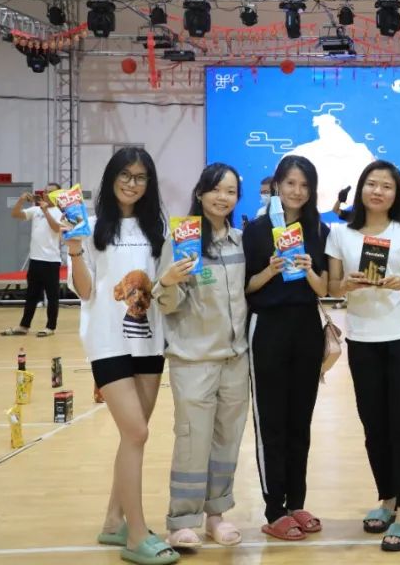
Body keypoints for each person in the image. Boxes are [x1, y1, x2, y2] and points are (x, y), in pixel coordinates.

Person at [67, 147, 181, 565]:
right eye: (125, 175)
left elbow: (165, 286)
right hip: (108, 343)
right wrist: (74, 249)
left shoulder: (158, 231)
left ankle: (114, 521)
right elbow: (84, 291)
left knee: (133, 436)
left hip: (150, 343)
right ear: (111, 178)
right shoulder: (91, 228)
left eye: (140, 177)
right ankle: (135, 536)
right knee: (137, 434)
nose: (132, 183)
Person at [326, 161, 400, 552]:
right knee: (374, 425)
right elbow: (332, 286)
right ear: (361, 189)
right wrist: (347, 284)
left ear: (396, 193)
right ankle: (386, 498)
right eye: (372, 183)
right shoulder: (341, 233)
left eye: (387, 186)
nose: (378, 191)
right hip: (363, 339)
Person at [155, 164, 249, 549]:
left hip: (236, 359)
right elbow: (166, 304)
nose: (222, 197)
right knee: (193, 440)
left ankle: (216, 516)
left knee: (227, 440)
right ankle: (181, 520)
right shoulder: (182, 241)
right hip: (193, 359)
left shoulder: (241, 241)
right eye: (215, 189)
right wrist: (169, 281)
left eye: (230, 191)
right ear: (200, 193)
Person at [243, 155, 331, 542]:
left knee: (300, 421)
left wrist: (308, 268)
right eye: (291, 183)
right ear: (277, 185)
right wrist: (271, 269)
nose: (297, 191)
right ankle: (274, 509)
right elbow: (246, 286)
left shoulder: (319, 229)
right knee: (272, 422)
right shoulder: (257, 230)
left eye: (305, 185)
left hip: (307, 328)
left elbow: (323, 289)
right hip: (268, 327)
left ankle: (296, 503)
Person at [2, 183, 64, 337]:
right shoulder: (35, 210)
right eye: (45, 191)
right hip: (35, 260)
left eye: (51, 192)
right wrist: (21, 200)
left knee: (52, 296)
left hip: (51, 261)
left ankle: (50, 327)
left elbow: (56, 228)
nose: (46, 194)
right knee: (31, 295)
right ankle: (24, 326)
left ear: (57, 195)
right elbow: (15, 214)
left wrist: (46, 211)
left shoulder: (59, 213)